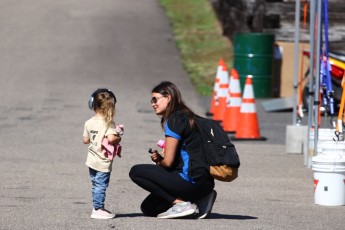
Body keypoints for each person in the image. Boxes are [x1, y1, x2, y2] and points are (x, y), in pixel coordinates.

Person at [129, 81, 217, 219]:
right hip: (205, 183)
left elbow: (168, 163)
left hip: (191, 182)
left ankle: (181, 204)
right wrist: (160, 161)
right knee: (149, 208)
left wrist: (160, 162)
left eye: (155, 99)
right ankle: (201, 199)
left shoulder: (174, 120)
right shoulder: (188, 116)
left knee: (136, 172)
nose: (152, 104)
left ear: (168, 97)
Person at [83, 88, 122, 219]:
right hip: (102, 161)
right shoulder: (109, 123)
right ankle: (98, 209)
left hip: (91, 159)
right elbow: (111, 139)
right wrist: (119, 136)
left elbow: (85, 140)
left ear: (92, 104)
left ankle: (97, 206)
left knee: (95, 184)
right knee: (101, 185)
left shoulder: (88, 122)